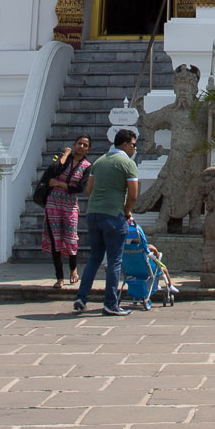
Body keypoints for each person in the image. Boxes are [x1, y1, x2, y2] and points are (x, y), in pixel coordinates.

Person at [72, 127, 140, 317]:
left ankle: (81, 297)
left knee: (94, 258)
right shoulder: (127, 163)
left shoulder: (99, 161)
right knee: (114, 261)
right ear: (125, 144)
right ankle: (110, 303)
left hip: (93, 214)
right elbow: (133, 195)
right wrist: (126, 212)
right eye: (133, 145)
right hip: (113, 215)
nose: (134, 149)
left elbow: (89, 190)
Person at [41, 134, 93, 292]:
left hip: (70, 205)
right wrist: (64, 155)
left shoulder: (87, 166)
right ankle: (59, 277)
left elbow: (79, 188)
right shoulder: (63, 160)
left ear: (88, 149)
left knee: (71, 239)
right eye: (79, 143)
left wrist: (59, 184)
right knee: (55, 239)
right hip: (53, 202)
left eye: (85, 145)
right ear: (74, 144)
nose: (81, 147)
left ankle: (73, 270)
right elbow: (51, 173)